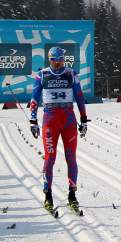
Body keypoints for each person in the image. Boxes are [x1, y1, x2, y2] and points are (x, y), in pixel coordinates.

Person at [29, 46, 89, 215]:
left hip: (68, 120)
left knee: (71, 157)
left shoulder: (71, 74)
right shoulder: (42, 75)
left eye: (62, 60)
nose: (60, 63)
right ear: (50, 60)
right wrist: (33, 121)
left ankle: (72, 195)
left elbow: (79, 97)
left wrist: (84, 119)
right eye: (57, 60)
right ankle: (48, 195)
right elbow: (34, 99)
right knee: (50, 158)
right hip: (50, 121)